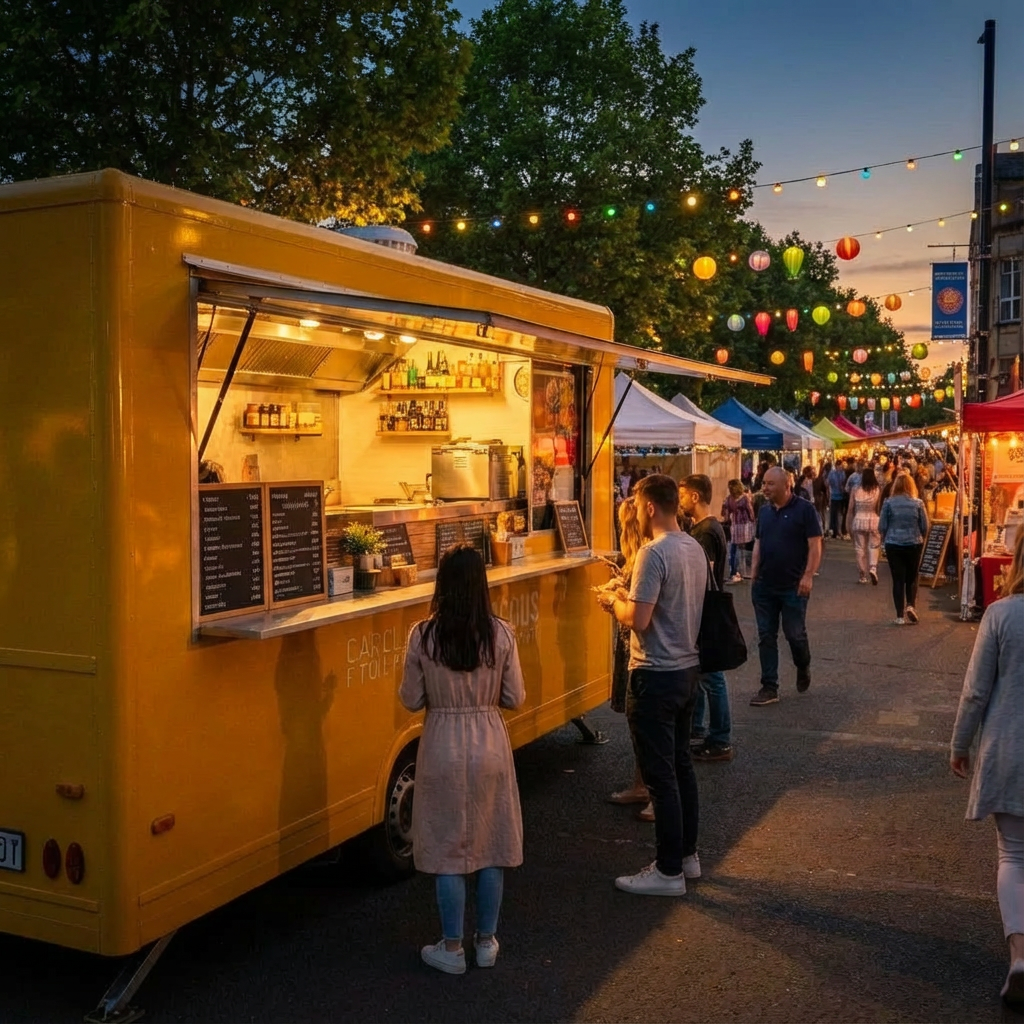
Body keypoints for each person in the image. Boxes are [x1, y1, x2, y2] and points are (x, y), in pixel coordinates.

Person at [399, 545, 526, 974]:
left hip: (442, 744)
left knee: (446, 848)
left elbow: (410, 699)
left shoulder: (423, 635)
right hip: (489, 741)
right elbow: (515, 696)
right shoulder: (501, 633)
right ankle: (486, 942)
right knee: (492, 845)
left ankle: (451, 948)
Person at [597, 474, 706, 896]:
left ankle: (667, 870)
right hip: (687, 669)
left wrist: (613, 602)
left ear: (648, 506)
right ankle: (687, 857)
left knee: (660, 778)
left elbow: (638, 619)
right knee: (681, 768)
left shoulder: (653, 553)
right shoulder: (692, 547)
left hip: (654, 672)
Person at [950, 530, 1024, 1008]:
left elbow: (976, 690)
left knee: (1014, 855)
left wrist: (960, 744)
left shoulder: (1001, 614)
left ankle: (1020, 956)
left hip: (1010, 748)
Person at [749, 466, 823, 706]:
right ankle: (769, 686)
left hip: (794, 586)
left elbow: (815, 545)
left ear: (786, 485)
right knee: (766, 636)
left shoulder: (805, 510)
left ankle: (803, 664)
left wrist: (808, 575)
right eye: (764, 483)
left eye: (770, 484)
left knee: (794, 634)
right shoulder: (764, 511)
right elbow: (759, 542)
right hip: (765, 586)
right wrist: (754, 573)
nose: (765, 488)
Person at [680, 474, 733, 763]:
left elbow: (703, 574)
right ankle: (697, 729)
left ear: (695, 496)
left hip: (706, 610)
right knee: (702, 675)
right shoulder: (707, 528)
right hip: (707, 609)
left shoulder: (706, 532)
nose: (680, 501)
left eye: (683, 495)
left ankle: (720, 739)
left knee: (712, 678)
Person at [603, 497, 650, 811]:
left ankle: (649, 790)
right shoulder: (637, 557)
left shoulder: (646, 557)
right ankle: (641, 784)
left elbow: (636, 615)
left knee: (645, 722)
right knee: (639, 722)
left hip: (641, 650)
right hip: (635, 648)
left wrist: (613, 599)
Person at [877, 472, 929, 625]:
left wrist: (886, 535)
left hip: (893, 543)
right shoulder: (918, 503)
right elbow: (925, 526)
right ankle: (911, 605)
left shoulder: (888, 503)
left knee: (898, 579)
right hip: (914, 543)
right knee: (912, 577)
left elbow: (882, 526)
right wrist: (921, 536)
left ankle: (899, 616)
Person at [847, 465, 881, 585]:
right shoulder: (877, 489)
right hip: (873, 519)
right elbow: (879, 507)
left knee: (859, 548)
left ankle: (862, 574)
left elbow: (850, 508)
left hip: (859, 519)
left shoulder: (856, 489)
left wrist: (848, 523)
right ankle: (873, 568)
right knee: (873, 546)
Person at [721, 478, 755, 583]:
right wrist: (753, 521)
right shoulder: (744, 498)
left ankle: (735, 572)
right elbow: (750, 512)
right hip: (744, 526)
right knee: (741, 550)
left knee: (734, 549)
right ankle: (741, 572)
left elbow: (725, 514)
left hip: (735, 526)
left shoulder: (729, 499)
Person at [826, 460, 847, 539]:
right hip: (835, 496)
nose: (840, 467)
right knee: (835, 514)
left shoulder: (841, 473)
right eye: (840, 465)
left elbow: (827, 483)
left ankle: (837, 531)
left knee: (837, 514)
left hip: (838, 496)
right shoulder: (834, 473)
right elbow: (828, 483)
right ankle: (835, 531)